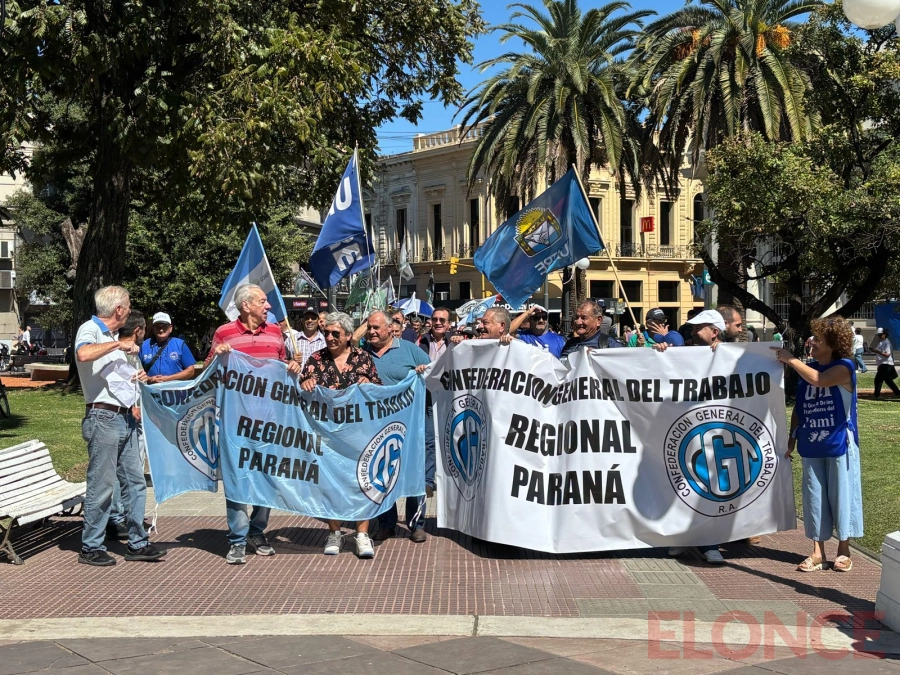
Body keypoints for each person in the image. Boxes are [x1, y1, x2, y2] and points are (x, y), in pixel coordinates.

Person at [207, 284, 303, 564]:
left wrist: (293, 367)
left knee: (267, 477)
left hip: (270, 422)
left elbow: (283, 368)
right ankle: (236, 539)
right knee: (237, 479)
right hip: (236, 423)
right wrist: (219, 356)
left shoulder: (275, 334)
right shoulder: (223, 333)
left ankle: (257, 530)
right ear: (246, 305)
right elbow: (210, 372)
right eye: (263, 301)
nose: (269, 306)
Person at [74, 286, 166, 566]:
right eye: (128, 305)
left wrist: (134, 375)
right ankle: (91, 546)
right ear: (118, 310)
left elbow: (112, 376)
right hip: (103, 418)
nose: (130, 309)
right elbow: (83, 355)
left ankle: (137, 543)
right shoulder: (90, 329)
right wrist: (118, 345)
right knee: (101, 486)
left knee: (136, 483)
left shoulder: (112, 336)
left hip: (124, 417)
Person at [773, 317, 862, 572]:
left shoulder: (845, 366)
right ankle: (817, 552)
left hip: (839, 444)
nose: (811, 341)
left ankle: (844, 550)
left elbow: (820, 380)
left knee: (842, 496)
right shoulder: (807, 368)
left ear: (833, 343)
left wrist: (791, 359)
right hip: (811, 444)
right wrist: (790, 439)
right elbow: (799, 409)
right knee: (814, 498)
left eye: (818, 338)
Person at [300, 312, 382, 558]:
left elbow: (378, 391)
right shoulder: (315, 359)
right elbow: (302, 387)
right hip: (326, 434)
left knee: (362, 482)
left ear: (348, 336)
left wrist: (370, 384)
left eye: (336, 334)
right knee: (330, 484)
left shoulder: (363, 358)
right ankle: (334, 533)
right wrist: (305, 383)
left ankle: (362, 534)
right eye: (327, 333)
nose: (330, 337)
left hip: (358, 432)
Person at [362, 310, 431, 543]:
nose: (371, 332)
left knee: (413, 471)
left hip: (409, 425)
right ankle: (386, 523)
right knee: (381, 473)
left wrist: (423, 372)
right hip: (377, 426)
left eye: (375, 328)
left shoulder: (411, 350)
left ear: (390, 328)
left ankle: (417, 524)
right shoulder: (362, 354)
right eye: (369, 327)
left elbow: (434, 376)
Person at [667, 309, 729, 564]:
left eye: (698, 328)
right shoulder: (686, 353)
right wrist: (662, 353)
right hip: (687, 429)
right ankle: (684, 537)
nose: (692, 332)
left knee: (709, 485)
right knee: (684, 484)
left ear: (714, 332)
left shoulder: (734, 356)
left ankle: (709, 542)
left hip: (718, 432)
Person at [107, 311, 148, 540]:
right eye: (143, 330)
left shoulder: (131, 351)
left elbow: (133, 380)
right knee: (118, 470)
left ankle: (130, 514)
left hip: (134, 417)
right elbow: (116, 383)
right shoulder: (120, 350)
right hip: (124, 417)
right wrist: (132, 405)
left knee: (132, 472)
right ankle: (115, 517)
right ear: (137, 330)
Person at [140, 312, 197, 383]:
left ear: (170, 328)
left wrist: (167, 379)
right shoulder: (144, 345)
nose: (161, 330)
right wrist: (150, 379)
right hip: (151, 391)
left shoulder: (180, 345)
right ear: (153, 328)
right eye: (158, 327)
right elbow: (136, 371)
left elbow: (190, 371)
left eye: (164, 327)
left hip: (175, 392)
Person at [870, 327, 900, 398]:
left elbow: (887, 354)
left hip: (886, 363)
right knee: (888, 380)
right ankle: (898, 393)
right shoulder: (882, 342)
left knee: (878, 379)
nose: (879, 336)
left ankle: (876, 395)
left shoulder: (886, 343)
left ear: (884, 335)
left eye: (880, 335)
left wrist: (877, 351)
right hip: (884, 363)